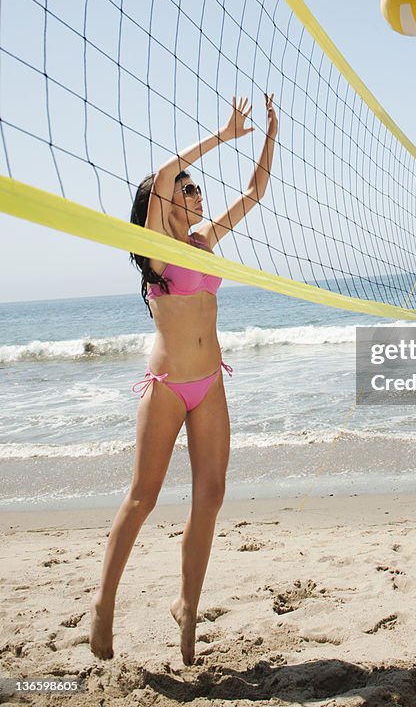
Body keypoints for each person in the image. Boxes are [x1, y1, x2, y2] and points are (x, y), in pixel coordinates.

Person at [90, 94, 277, 664]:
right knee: (143, 497)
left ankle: (187, 605)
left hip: (211, 384)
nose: (197, 193)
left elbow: (254, 193)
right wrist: (222, 134)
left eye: (198, 188)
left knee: (213, 495)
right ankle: (102, 605)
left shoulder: (202, 243)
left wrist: (271, 134)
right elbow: (167, 169)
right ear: (164, 201)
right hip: (169, 386)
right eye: (189, 188)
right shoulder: (155, 249)